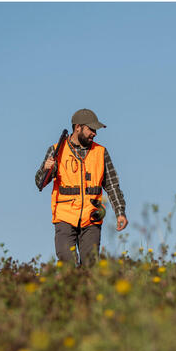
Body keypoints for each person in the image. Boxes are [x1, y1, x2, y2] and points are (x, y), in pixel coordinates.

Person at [35, 108, 128, 265]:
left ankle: (88, 289)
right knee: (67, 261)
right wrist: (46, 168)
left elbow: (112, 185)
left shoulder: (101, 152)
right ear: (78, 127)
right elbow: (39, 183)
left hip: (92, 218)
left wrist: (120, 212)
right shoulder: (57, 150)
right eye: (91, 129)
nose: (94, 133)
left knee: (90, 266)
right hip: (64, 217)